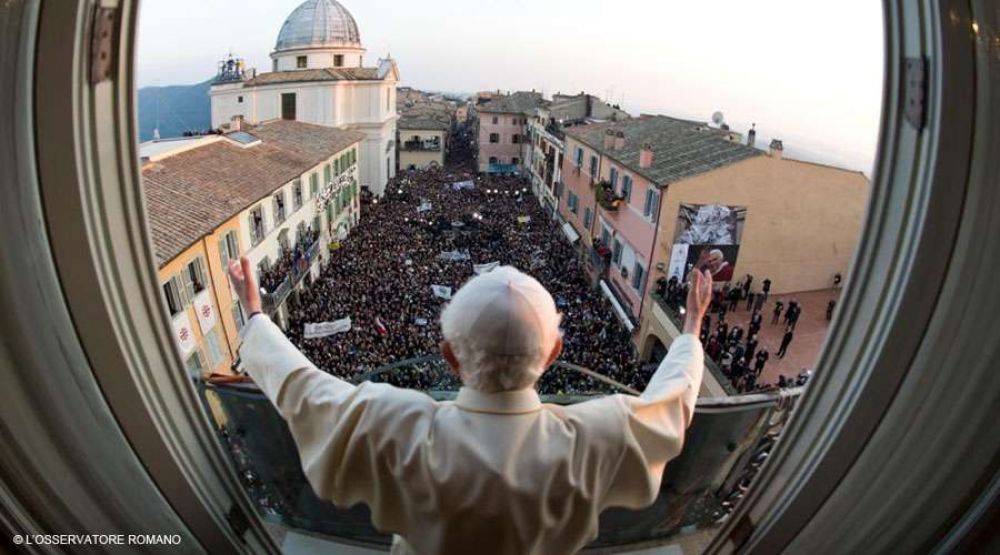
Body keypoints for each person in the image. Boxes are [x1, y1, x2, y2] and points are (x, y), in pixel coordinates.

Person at [229, 257, 713, 555]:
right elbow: (671, 405)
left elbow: (301, 387)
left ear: (448, 356)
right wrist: (689, 332)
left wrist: (256, 317)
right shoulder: (600, 435)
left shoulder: (390, 425)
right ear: (554, 354)